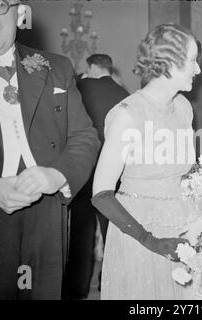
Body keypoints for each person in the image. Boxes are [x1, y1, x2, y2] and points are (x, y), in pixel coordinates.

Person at [0, 0, 100, 299]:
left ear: (19, 13)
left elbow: (84, 136)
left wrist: (57, 175)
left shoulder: (56, 66)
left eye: (1, 4)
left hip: (46, 215)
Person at [91, 23, 200, 300]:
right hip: (139, 235)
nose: (198, 69)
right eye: (192, 61)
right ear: (170, 63)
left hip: (183, 228)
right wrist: (150, 241)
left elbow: (188, 172)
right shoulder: (128, 114)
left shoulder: (184, 108)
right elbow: (101, 194)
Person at [64, 54, 129, 299]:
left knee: (81, 230)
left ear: (91, 67)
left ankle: (76, 287)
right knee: (112, 227)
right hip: (114, 171)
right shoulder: (124, 94)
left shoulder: (79, 88)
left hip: (84, 168)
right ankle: (108, 281)